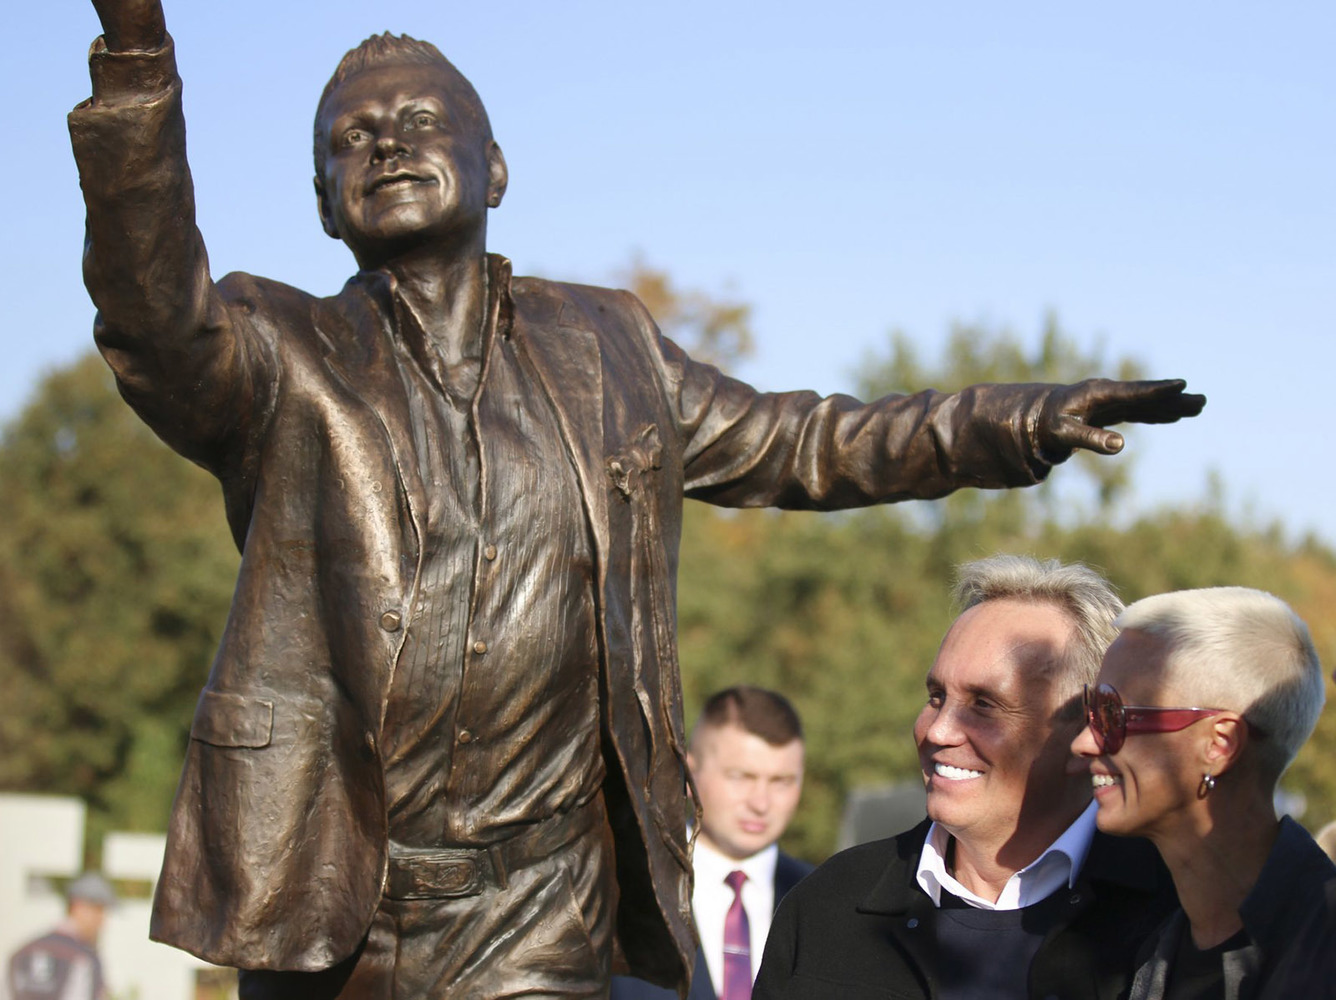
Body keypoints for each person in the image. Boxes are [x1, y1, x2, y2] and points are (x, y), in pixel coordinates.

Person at [68, 0, 1204, 994]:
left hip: (535, 904)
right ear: (324, 204)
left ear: (495, 168)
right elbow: (154, 314)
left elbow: (807, 442)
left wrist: (1013, 421)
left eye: (421, 122)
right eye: (352, 140)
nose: (388, 145)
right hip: (333, 895)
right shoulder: (280, 352)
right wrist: (134, 56)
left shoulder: (609, 349)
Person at [755, 555, 1179, 999]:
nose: (937, 731)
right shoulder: (830, 904)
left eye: (984, 704)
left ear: (1084, 732)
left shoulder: (1176, 915)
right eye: (936, 696)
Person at [1071, 587, 1336, 999]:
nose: (1084, 742)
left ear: (1220, 744)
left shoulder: (1320, 948)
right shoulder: (1139, 947)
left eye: (1112, 714)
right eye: (1091, 710)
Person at [612, 686, 813, 1000]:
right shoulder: (622, 894)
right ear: (689, 774)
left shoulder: (824, 900)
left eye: (781, 781)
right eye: (741, 777)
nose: (761, 802)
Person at [5, 873, 117, 1000]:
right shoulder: (83, 959)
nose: (102, 921)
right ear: (78, 906)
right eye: (99, 911)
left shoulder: (21, 953)